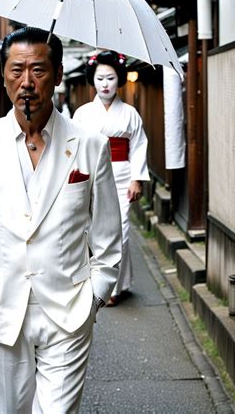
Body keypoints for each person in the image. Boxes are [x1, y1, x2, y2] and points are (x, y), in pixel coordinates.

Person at [0, 27, 122, 413]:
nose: (27, 82)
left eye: (38, 70)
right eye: (17, 70)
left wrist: (96, 294)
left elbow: (108, 233)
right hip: (2, 304)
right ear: (4, 76)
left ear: (58, 75)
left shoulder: (91, 145)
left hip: (71, 307)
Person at [73, 50, 150, 307]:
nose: (105, 84)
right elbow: (75, 147)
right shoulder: (83, 114)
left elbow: (138, 145)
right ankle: (92, 282)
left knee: (122, 232)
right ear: (92, 80)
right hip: (92, 177)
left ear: (119, 80)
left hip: (121, 176)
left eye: (111, 78)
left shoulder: (129, 114)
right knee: (92, 231)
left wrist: (137, 179)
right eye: (100, 78)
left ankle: (114, 287)